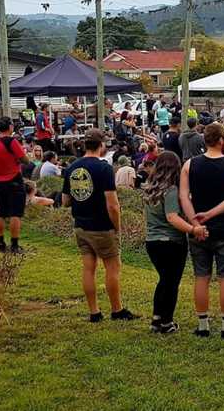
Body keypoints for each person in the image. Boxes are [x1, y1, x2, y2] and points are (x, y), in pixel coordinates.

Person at [62, 129, 138, 322]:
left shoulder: (72, 167)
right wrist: (117, 226)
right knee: (112, 267)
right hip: (102, 226)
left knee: (88, 268)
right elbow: (112, 204)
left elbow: (65, 201)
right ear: (102, 145)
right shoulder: (103, 168)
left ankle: (94, 312)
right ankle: (116, 310)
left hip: (80, 224)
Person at [179, 123, 224, 338]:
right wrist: (211, 214)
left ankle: (203, 324)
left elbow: (183, 197)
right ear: (220, 140)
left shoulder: (189, 165)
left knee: (201, 276)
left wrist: (196, 222)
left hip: (199, 231)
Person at [143, 151, 206, 334]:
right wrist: (193, 229)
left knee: (163, 280)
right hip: (171, 241)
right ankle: (166, 321)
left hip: (152, 241)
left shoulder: (149, 189)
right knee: (171, 283)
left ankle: (156, 318)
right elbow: (172, 217)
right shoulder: (170, 190)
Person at [0, 117, 31, 253]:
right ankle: (14, 244)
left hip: (0, 179)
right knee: (15, 213)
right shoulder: (11, 141)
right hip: (13, 177)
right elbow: (25, 160)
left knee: (1, 213)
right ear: (10, 127)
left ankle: (1, 243)